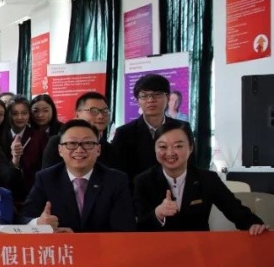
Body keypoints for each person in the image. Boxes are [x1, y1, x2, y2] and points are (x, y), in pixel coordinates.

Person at [134, 123, 266, 235]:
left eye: (178, 146)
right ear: (155, 149)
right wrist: (158, 213)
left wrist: (253, 224)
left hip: (198, 248)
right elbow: (138, 227)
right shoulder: (143, 181)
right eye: (163, 147)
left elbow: (235, 210)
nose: (170, 153)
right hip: (158, 250)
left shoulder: (207, 179)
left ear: (190, 147)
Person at [21, 120, 135, 233]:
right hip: (61, 244)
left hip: (103, 245)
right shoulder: (46, 179)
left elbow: (124, 229)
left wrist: (79, 240)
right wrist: (39, 224)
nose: (79, 150)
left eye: (88, 143)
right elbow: (23, 220)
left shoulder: (116, 180)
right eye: (71, 143)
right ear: (60, 150)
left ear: (98, 150)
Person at [111, 74, 191, 183]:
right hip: (138, 191)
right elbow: (119, 174)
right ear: (138, 101)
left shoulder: (182, 128)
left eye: (157, 94)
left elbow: (192, 165)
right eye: (144, 96)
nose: (151, 100)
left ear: (167, 98)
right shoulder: (124, 133)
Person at [42, 92, 113, 170]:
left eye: (105, 111)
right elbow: (48, 175)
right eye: (94, 111)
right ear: (77, 114)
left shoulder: (109, 149)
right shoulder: (58, 142)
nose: (101, 116)